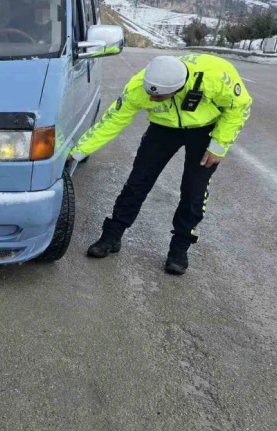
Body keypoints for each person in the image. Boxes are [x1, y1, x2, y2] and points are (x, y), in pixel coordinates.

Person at [70, 54, 252, 275]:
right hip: (162, 130)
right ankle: (112, 234)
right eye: (150, 96)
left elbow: (239, 107)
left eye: (159, 98)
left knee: (194, 190)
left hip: (205, 130)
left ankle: (179, 248)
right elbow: (113, 121)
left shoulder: (215, 76)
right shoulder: (139, 86)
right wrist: (78, 152)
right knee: (137, 182)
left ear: (178, 88)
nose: (152, 100)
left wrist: (219, 145)